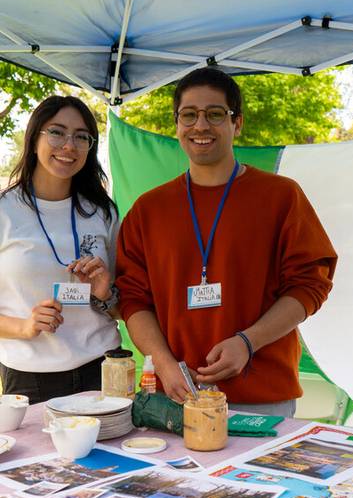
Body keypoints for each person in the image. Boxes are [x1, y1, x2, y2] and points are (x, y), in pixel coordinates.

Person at [116, 67, 337, 416]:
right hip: (176, 396)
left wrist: (248, 342)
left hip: (262, 399)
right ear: (176, 124)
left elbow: (310, 285)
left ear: (237, 124)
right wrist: (161, 360)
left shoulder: (281, 197)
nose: (200, 126)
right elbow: (132, 298)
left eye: (215, 114)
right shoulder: (149, 209)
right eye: (189, 115)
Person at [0, 95, 120, 404]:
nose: (69, 145)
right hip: (30, 378)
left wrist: (105, 293)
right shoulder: (5, 210)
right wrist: (25, 326)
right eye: (57, 132)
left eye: (82, 137)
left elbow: (127, 305)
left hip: (103, 369)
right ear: (35, 136)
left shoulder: (103, 213)